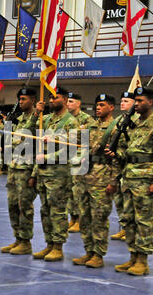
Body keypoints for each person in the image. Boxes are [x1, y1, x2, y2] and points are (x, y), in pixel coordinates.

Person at [111, 87, 153, 275]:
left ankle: (143, 260)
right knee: (128, 219)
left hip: (146, 179)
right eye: (135, 101)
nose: (136, 104)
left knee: (143, 221)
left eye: (140, 101)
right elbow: (129, 151)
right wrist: (116, 153)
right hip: (129, 177)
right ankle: (132, 256)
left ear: (151, 102)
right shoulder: (133, 123)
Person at [31, 87, 80, 262]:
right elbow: (30, 132)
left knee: (58, 211)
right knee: (45, 210)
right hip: (44, 173)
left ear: (65, 100)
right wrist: (36, 171)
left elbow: (71, 151)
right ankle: (49, 243)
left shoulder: (70, 123)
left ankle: (58, 246)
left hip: (59, 174)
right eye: (50, 98)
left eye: (56, 98)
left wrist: (47, 157)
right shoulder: (48, 120)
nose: (52, 101)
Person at [72, 94, 121, 268]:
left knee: (99, 217)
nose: (98, 108)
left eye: (102, 105)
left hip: (103, 176)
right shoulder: (90, 126)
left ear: (111, 107)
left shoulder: (116, 128)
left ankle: (99, 254)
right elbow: (72, 140)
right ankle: (89, 251)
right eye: (96, 105)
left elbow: (117, 158)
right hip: (85, 175)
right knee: (84, 216)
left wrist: (113, 181)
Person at [0, 88, 38, 255]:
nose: (21, 102)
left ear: (33, 100)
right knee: (13, 205)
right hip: (14, 167)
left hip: (27, 169)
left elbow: (33, 144)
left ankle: (26, 241)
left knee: (25, 207)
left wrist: (35, 173)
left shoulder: (39, 120)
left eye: (24, 99)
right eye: (19, 99)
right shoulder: (19, 119)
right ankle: (17, 238)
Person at [66, 92, 95, 233]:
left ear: (78, 103)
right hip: (66, 158)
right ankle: (73, 217)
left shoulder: (86, 119)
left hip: (79, 158)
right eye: (67, 101)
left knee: (78, 191)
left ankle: (80, 220)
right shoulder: (65, 118)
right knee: (69, 191)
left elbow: (89, 140)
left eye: (71, 101)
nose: (68, 104)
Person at [111, 91, 136, 242]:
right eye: (121, 101)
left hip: (129, 165)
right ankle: (123, 227)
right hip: (117, 165)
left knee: (129, 201)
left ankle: (130, 229)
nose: (122, 103)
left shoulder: (136, 121)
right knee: (119, 199)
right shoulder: (119, 120)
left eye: (126, 101)